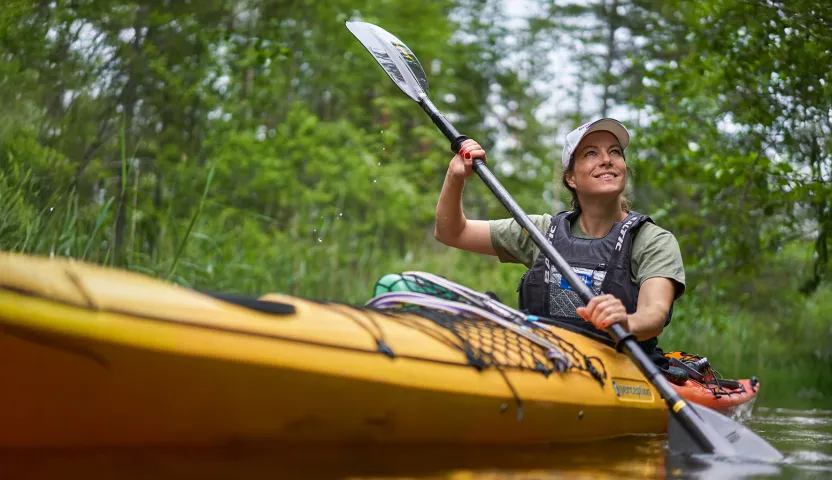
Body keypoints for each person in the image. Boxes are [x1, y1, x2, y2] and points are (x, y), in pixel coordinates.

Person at [433, 118, 685, 357]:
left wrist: (625, 322)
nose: (607, 160)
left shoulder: (652, 240)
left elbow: (655, 315)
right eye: (591, 153)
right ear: (571, 178)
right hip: (550, 365)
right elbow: (452, 232)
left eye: (615, 152)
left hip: (622, 372)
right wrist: (455, 176)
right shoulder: (540, 232)